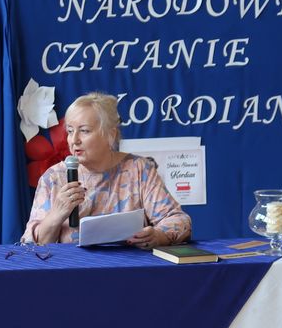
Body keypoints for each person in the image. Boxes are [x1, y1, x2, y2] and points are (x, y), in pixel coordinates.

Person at [22, 92, 191, 248]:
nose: (74, 140)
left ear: (110, 135)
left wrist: (159, 236)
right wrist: (56, 215)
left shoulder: (139, 169)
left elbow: (179, 221)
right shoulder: (54, 177)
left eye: (84, 131)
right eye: (70, 131)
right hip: (71, 268)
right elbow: (30, 247)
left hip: (129, 266)